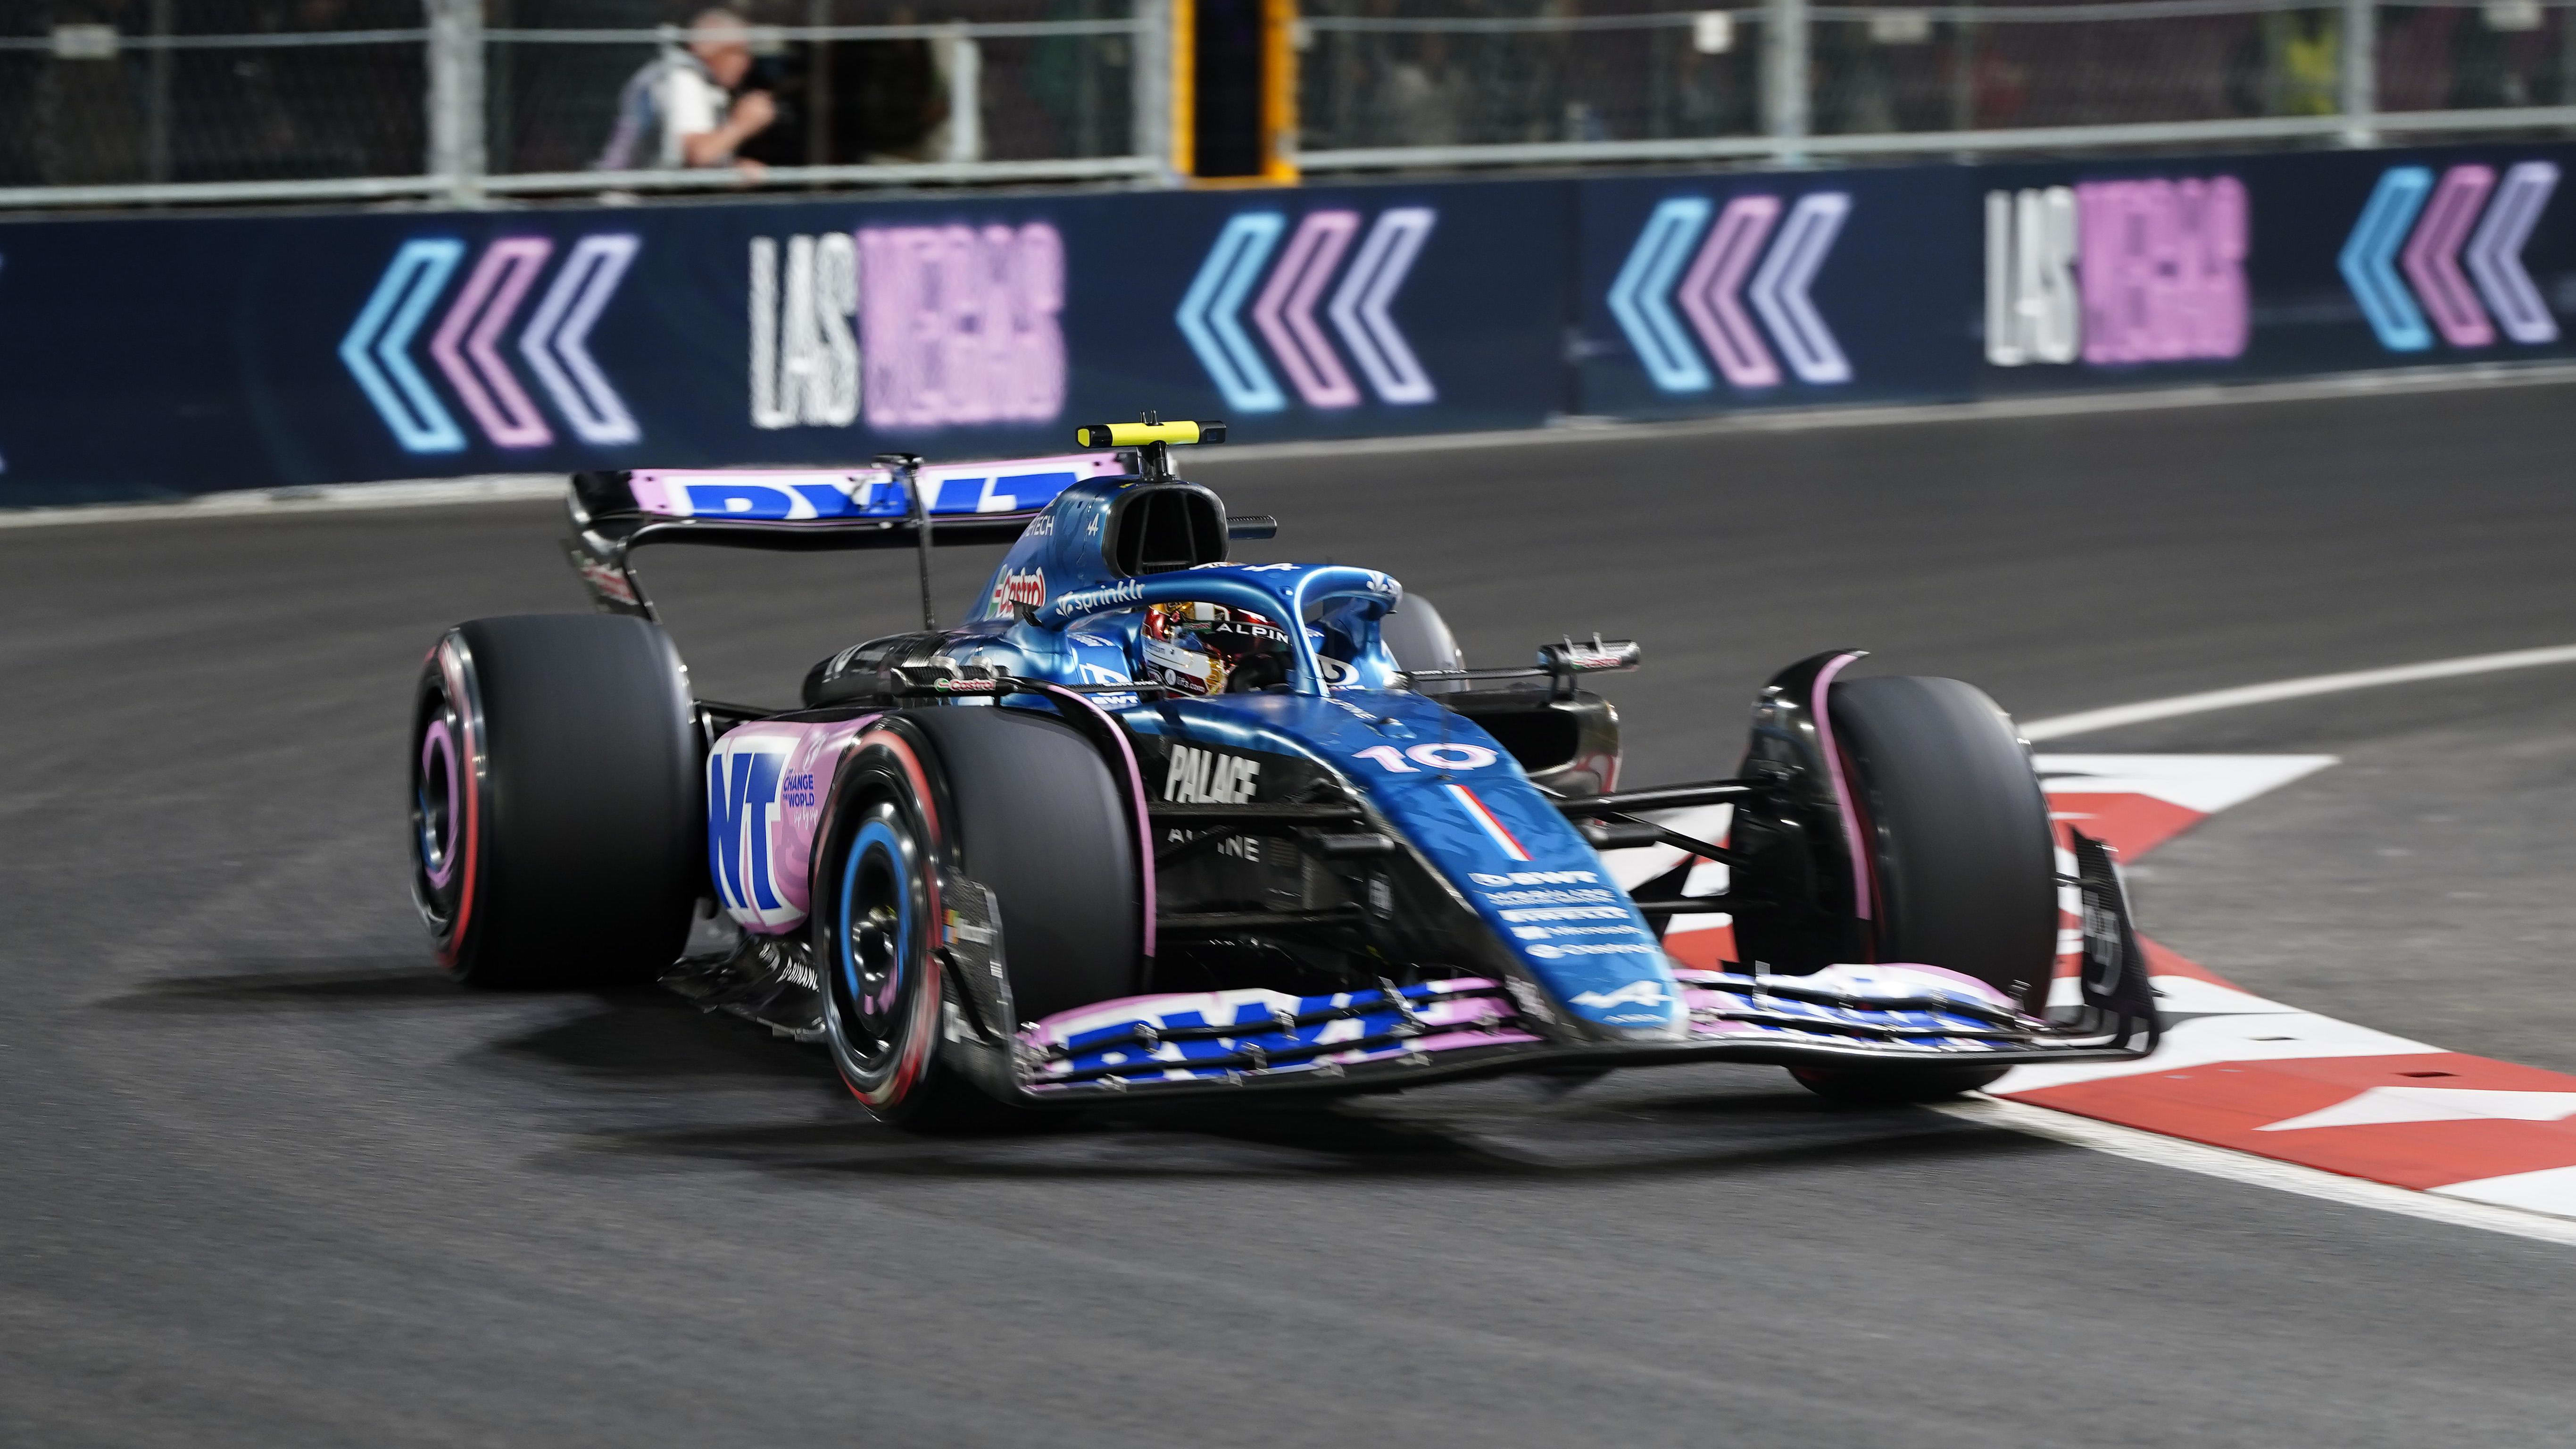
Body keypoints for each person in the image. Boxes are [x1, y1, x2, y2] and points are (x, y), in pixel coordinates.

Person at [594, 8, 778, 177]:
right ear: (705, 49)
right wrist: (742, 124)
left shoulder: (701, 83)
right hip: (630, 202)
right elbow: (699, 155)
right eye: (735, 52)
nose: (745, 63)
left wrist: (732, 170)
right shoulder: (683, 80)